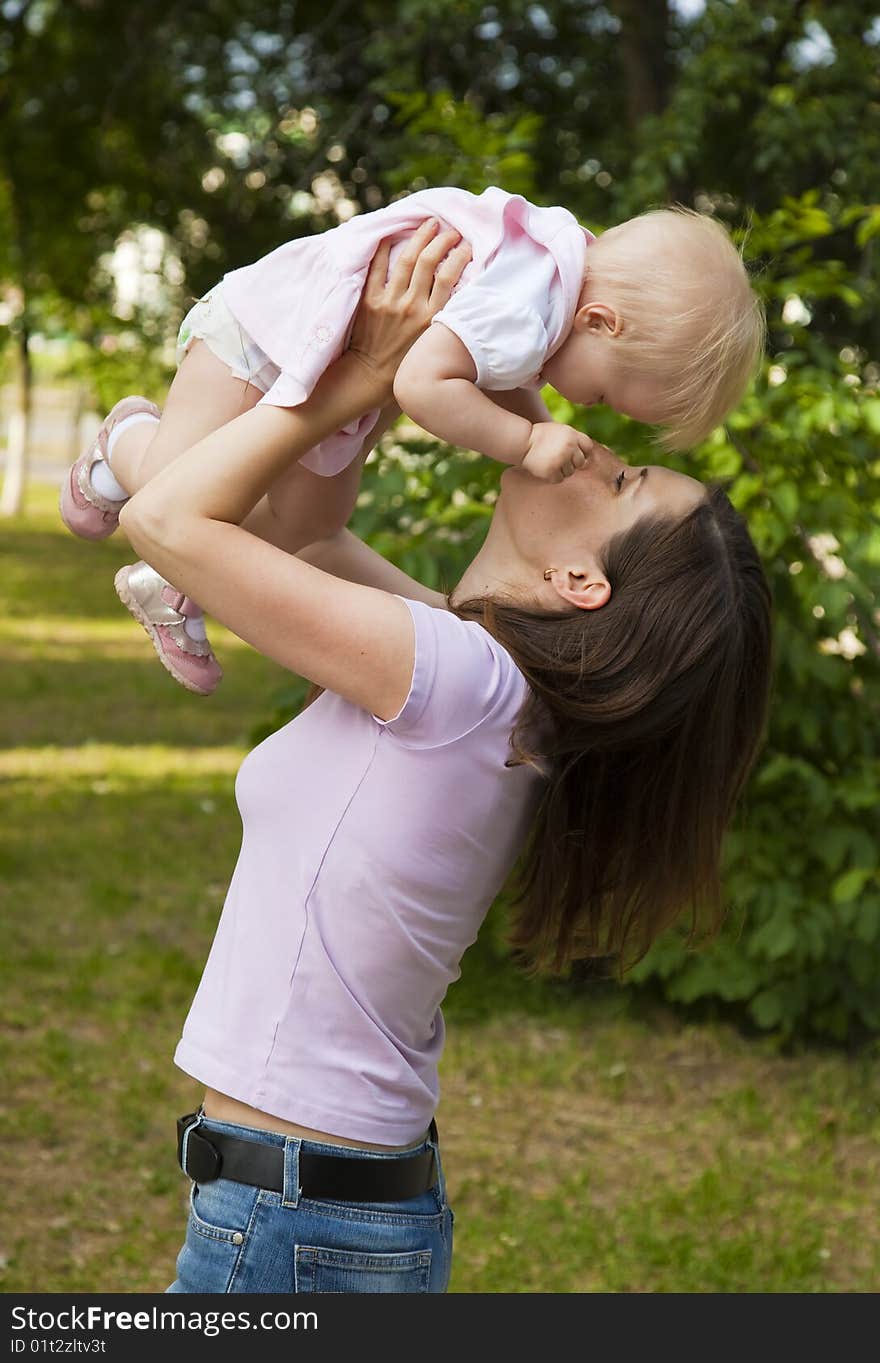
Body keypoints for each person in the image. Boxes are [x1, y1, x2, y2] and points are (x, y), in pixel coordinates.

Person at [108, 228, 772, 1293]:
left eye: (623, 476)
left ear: (579, 581)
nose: (589, 445)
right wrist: (367, 378)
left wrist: (362, 378)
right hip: (317, 1204)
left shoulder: (460, 685)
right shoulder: (483, 686)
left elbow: (166, 520)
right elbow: (309, 543)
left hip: (293, 1213)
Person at [59, 188, 764, 695]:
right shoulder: (530, 299)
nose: (588, 412)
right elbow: (423, 385)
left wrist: (533, 427)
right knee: (164, 488)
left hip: (329, 365)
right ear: (602, 321)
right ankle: (127, 440)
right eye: (605, 395)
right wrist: (524, 440)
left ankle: (174, 572)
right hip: (264, 334)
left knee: (313, 522)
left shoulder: (550, 286)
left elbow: (474, 371)